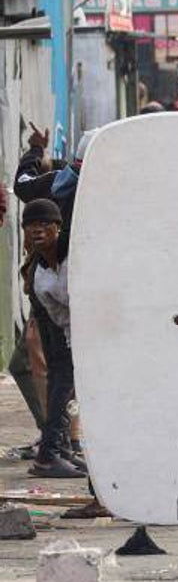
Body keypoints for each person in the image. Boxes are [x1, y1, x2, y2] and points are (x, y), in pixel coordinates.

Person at [21, 200, 83, 478]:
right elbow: (52, 320)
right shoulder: (38, 276)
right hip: (67, 334)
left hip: (95, 332)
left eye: (45, 224)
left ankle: (61, 451)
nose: (38, 230)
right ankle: (49, 455)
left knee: (68, 386)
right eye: (31, 225)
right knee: (62, 383)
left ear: (58, 227)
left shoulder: (77, 254)